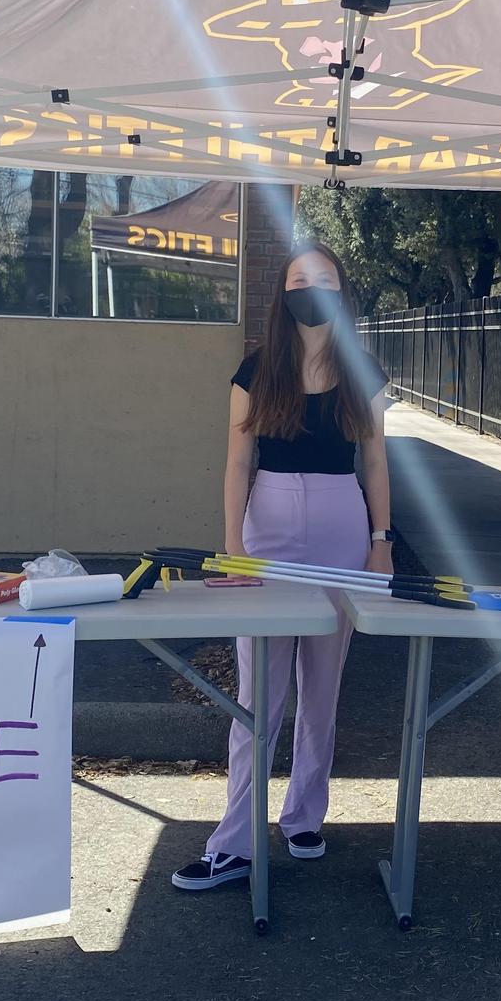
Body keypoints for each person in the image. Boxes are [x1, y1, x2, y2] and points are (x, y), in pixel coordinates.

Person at [171, 242, 393, 892]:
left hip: (340, 529)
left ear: (341, 290)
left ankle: (304, 817)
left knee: (322, 692)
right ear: (283, 295)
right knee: (258, 699)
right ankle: (234, 842)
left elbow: (375, 463)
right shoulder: (257, 370)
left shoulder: (363, 371)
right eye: (300, 281)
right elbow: (238, 465)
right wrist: (232, 548)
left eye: (324, 280)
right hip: (267, 529)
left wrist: (381, 540)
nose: (312, 290)